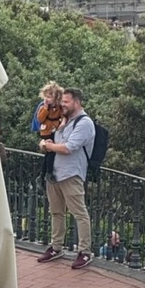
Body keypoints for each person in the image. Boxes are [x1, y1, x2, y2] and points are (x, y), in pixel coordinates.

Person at [36, 87, 95, 270]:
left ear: (77, 102)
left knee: (79, 213)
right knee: (56, 212)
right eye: (62, 101)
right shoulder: (63, 121)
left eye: (66, 102)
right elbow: (51, 140)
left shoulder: (84, 123)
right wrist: (46, 143)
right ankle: (56, 247)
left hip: (72, 174)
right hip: (55, 174)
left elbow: (69, 147)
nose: (62, 104)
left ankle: (85, 251)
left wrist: (48, 146)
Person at [34, 81, 64, 183]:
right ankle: (48, 173)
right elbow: (40, 119)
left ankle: (43, 175)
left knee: (49, 154)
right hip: (46, 131)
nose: (46, 99)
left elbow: (63, 116)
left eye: (49, 97)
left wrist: (62, 124)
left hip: (54, 130)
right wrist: (46, 109)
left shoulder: (59, 108)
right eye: (45, 96)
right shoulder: (44, 107)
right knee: (51, 152)